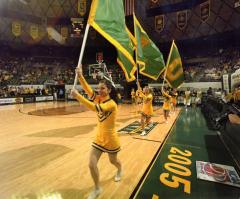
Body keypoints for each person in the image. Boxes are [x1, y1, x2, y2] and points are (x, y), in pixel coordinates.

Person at [71, 66, 122, 199]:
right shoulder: (99, 98)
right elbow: (88, 90)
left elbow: (95, 108)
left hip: (111, 139)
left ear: (109, 90)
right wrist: (81, 76)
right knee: (91, 164)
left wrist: (78, 97)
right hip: (99, 138)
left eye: (102, 88)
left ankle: (120, 169)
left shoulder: (111, 104)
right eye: (98, 88)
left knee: (113, 161)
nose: (99, 90)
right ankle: (97, 188)